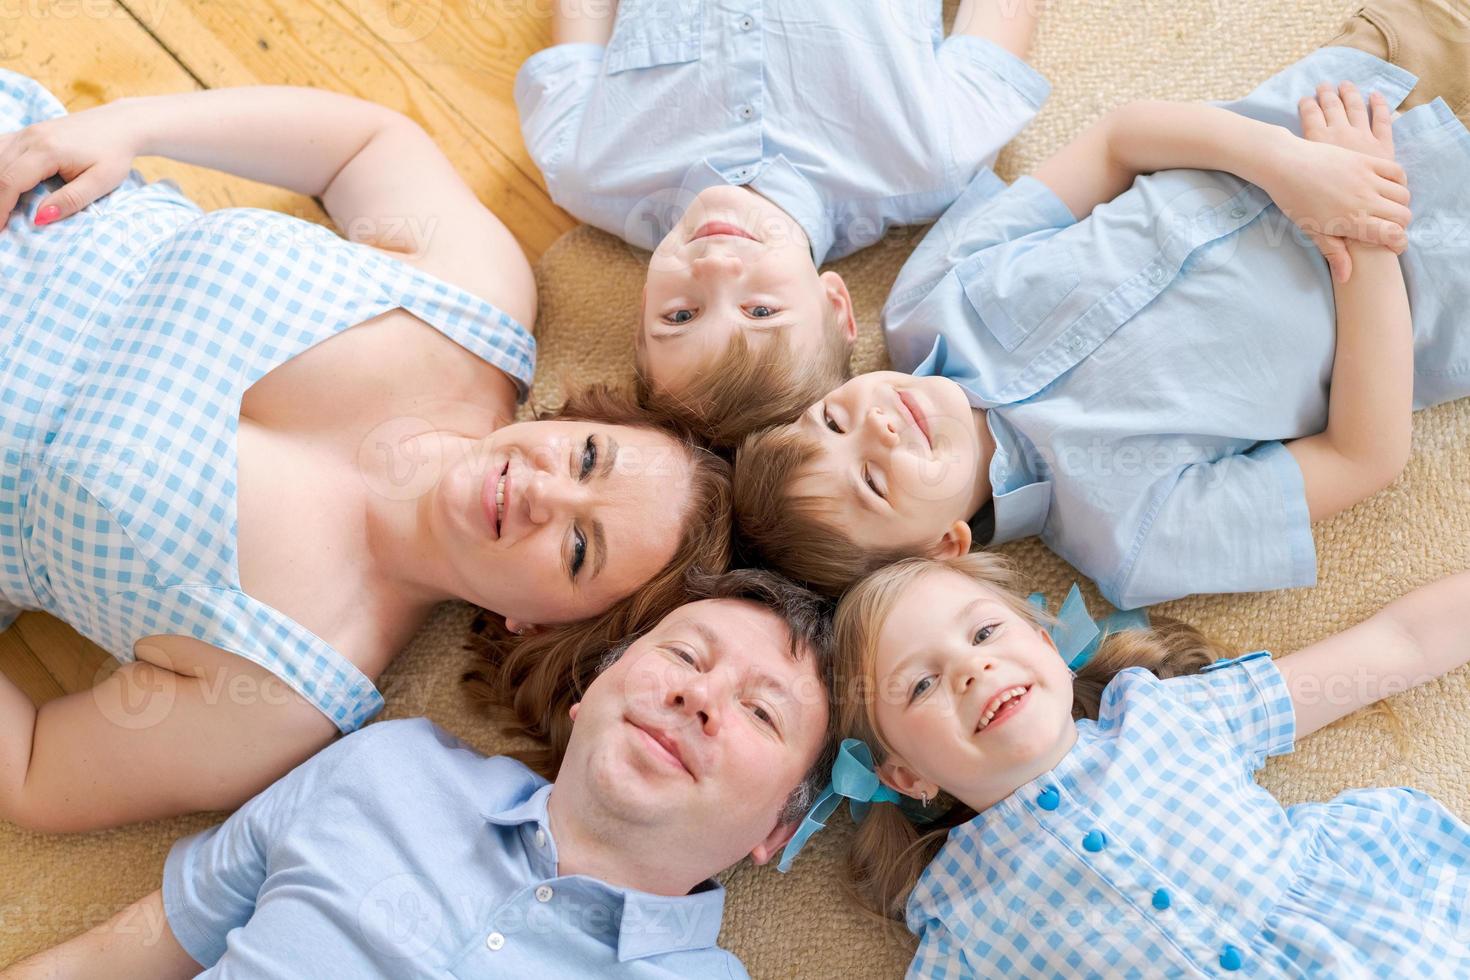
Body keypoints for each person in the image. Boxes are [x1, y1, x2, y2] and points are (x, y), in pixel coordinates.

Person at [0, 71, 733, 833]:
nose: (549, 492)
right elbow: (361, 147)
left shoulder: (283, 692)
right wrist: (129, 123)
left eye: (580, 547)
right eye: (587, 458)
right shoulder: (474, 299)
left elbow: (33, 772)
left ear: (540, 626)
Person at [735, 8, 1470, 605]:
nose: (881, 425)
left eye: (833, 419)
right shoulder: (1139, 539)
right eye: (873, 478)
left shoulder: (926, 303)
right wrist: (1366, 228)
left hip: (1349, 99)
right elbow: (1363, 456)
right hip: (1442, 264)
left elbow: (1120, 142)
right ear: (941, 549)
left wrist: (1296, 164)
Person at [4, 570, 837, 979]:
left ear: (777, 830)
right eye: (684, 656)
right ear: (590, 693)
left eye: (763, 712)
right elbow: (128, 954)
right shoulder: (389, 767)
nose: (698, 695)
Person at [793, 551, 1470, 976]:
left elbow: (1397, 646)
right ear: (908, 776)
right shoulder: (957, 916)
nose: (973, 668)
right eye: (921, 685)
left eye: (984, 631)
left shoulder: (1167, 716)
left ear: (1046, 643)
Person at [516, 0, 1049, 445]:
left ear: (641, 317)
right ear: (837, 308)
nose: (717, 267)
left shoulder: (587, 167)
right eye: (761, 310)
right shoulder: (931, 157)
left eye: (679, 316)